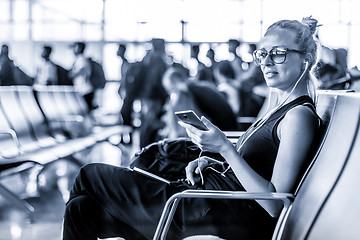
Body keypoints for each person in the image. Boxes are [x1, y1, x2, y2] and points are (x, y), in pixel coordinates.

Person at [63, 16, 321, 240]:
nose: (266, 61)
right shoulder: (280, 105)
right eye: (262, 53)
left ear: (305, 61)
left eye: (278, 53)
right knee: (81, 210)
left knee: (88, 175)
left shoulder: (298, 116)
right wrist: (214, 161)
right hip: (207, 199)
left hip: (217, 211)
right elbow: (254, 165)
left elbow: (274, 203)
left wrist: (225, 149)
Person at [68, 41, 96, 112]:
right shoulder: (78, 59)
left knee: (86, 112)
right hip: (82, 90)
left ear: (79, 48)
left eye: (75, 47)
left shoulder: (82, 60)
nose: (73, 49)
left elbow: (73, 74)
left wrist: (70, 73)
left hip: (85, 90)